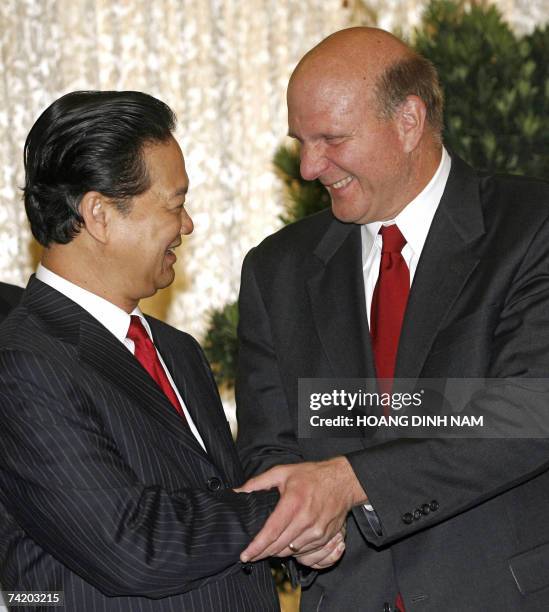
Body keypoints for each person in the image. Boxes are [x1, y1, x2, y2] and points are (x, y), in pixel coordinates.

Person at [235, 27, 549, 611]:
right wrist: (305, 526)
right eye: (300, 141)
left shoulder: (531, 227)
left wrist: (349, 482)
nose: (308, 167)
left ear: (409, 121)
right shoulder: (276, 268)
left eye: (330, 139)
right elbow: (266, 444)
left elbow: (529, 409)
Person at [0, 90, 288, 612]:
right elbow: (131, 547)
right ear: (99, 214)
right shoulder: (21, 360)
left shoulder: (177, 351)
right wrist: (287, 507)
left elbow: (215, 509)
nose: (188, 224)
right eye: (175, 204)